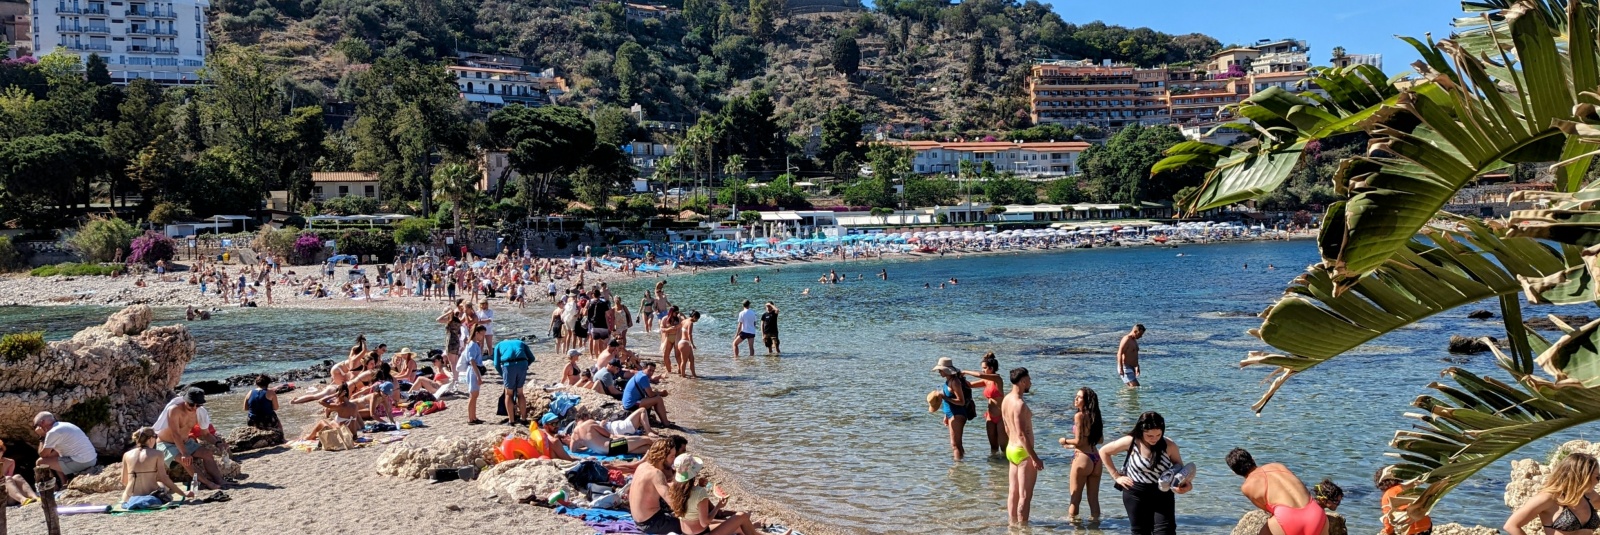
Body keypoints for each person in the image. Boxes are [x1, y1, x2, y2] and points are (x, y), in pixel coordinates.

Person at [1099, 411, 1193, 535]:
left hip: (1163, 494)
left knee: (1166, 531)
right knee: (1140, 532)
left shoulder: (1169, 445)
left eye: (1158, 435)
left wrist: (1185, 486)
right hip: (1135, 494)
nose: (1154, 439)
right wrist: (1116, 476)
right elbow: (1104, 452)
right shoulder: (1131, 441)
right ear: (1141, 430)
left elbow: (1179, 468)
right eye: (1149, 435)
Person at [667, 453, 786, 535]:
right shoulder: (699, 493)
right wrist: (719, 506)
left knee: (738, 526)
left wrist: (700, 486)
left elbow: (690, 507)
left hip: (687, 533)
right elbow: (705, 522)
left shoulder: (674, 489)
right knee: (742, 516)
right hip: (703, 533)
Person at [1227, 448, 1327, 535]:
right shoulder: (1278, 466)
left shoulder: (1246, 487)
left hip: (1288, 519)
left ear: (1235, 472)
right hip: (1316, 513)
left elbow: (1268, 509)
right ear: (1252, 458)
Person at [1504, 452, 1600, 535]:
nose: (1598, 481)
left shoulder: (1589, 495)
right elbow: (1511, 526)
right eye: (1598, 477)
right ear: (1583, 477)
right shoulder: (1548, 498)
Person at [153, 389, 223, 489]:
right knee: (186, 460)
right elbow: (175, 434)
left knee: (207, 454)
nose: (194, 408)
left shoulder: (200, 412)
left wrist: (218, 443)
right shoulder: (174, 410)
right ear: (185, 400)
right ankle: (208, 483)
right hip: (166, 443)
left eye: (198, 405)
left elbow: (206, 434)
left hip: (186, 442)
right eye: (191, 404)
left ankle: (220, 481)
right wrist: (184, 453)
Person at [1002, 367, 1042, 526]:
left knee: (1013, 492)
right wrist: (1035, 457)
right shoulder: (1020, 404)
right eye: (1029, 380)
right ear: (1023, 381)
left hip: (1011, 449)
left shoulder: (1006, 399)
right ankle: (1023, 527)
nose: (1031, 382)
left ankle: (1012, 526)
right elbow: (1022, 434)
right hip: (1023, 451)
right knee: (1025, 496)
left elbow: (1006, 427)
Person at [1060, 387, 1105, 522]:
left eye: (1079, 397)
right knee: (1093, 499)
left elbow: (1079, 440)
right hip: (1096, 458)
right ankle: (1096, 528)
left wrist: (1065, 440)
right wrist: (1073, 445)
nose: (1076, 399)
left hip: (1082, 458)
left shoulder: (1079, 416)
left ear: (1086, 401)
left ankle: (1074, 528)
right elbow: (1100, 440)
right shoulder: (1095, 416)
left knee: (1075, 498)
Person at [632, 436, 690, 535]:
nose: (673, 460)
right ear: (663, 456)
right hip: (651, 523)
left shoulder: (643, 466)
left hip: (638, 520)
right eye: (672, 456)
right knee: (694, 527)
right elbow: (672, 503)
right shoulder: (656, 473)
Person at [120, 427, 191, 507]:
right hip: (151, 495)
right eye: (155, 437)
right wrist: (183, 493)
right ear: (150, 439)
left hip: (129, 497)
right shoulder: (158, 454)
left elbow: (124, 480)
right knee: (162, 484)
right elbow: (163, 478)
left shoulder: (126, 455)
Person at [33, 411, 97, 484]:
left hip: (82, 462)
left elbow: (43, 455)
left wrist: (41, 437)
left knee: (40, 462)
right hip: (91, 459)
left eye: (35, 426)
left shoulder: (53, 432)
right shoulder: (64, 425)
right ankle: (64, 482)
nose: (36, 429)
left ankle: (50, 489)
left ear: (42, 422)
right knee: (54, 456)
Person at [933, 357, 976, 461]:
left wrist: (945, 397)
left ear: (946, 370)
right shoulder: (948, 381)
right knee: (956, 444)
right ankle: (961, 463)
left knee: (955, 444)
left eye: (940, 370)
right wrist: (946, 415)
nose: (939, 372)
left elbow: (961, 401)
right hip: (951, 414)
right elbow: (947, 401)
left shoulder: (955, 382)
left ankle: (958, 467)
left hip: (957, 414)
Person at [962, 354, 1005, 456]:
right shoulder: (986, 381)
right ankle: (995, 469)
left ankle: (1007, 467)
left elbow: (980, 375)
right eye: (982, 368)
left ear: (992, 368)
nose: (983, 370)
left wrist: (965, 371)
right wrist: (958, 377)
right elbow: (970, 385)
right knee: (993, 447)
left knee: (1004, 447)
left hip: (1001, 417)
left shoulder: (997, 379)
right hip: (990, 416)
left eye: (985, 368)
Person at [1377, 466, 1431, 535]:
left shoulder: (1387, 495)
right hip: (1426, 526)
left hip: (1410, 530)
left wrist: (1386, 532)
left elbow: (1388, 520)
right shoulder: (1408, 488)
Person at [493, 336, 534, 426]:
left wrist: (503, 374)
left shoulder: (499, 345)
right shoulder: (520, 342)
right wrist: (526, 366)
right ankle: (523, 419)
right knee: (520, 392)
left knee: (509, 393)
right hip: (522, 364)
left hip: (508, 365)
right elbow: (532, 358)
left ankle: (511, 420)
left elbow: (496, 363)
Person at [567, 414, 655, 456]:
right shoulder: (589, 423)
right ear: (585, 418)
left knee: (645, 448)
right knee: (645, 439)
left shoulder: (574, 434)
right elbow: (608, 435)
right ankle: (666, 446)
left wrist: (587, 447)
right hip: (613, 445)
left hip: (605, 452)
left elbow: (573, 450)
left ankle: (661, 451)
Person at [623, 362, 673, 427]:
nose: (651, 373)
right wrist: (662, 393)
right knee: (658, 399)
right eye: (649, 370)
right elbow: (651, 395)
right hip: (631, 404)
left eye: (653, 371)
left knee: (655, 397)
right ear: (644, 368)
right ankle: (666, 423)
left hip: (629, 402)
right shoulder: (643, 377)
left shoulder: (640, 373)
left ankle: (662, 420)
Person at [0, 441, 38, 506]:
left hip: (10, 493)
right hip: (2, 497)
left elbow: (10, 479)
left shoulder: (10, 462)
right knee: (7, 478)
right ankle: (22, 499)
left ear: (3, 450)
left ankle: (35, 497)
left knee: (17, 476)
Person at [462, 325, 487, 425]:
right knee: (473, 395)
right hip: (473, 370)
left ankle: (474, 417)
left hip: (474, 369)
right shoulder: (472, 344)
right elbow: (472, 361)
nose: (483, 337)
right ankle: (470, 418)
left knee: (475, 395)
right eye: (482, 335)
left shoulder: (474, 344)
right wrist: (478, 376)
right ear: (477, 333)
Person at [677, 311, 701, 378]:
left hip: (683, 343)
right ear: (694, 317)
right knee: (684, 361)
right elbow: (689, 334)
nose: (697, 321)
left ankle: (694, 375)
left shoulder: (685, 320)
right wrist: (692, 344)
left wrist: (681, 314)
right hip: (685, 343)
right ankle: (683, 375)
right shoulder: (690, 323)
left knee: (691, 359)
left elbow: (681, 316)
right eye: (697, 319)